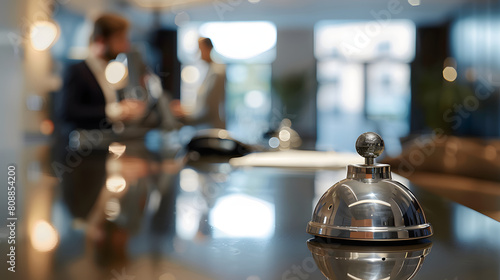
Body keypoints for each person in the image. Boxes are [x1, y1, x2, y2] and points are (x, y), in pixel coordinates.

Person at [58, 13, 145, 134]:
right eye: (120, 39)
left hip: (103, 146)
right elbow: (67, 112)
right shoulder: (77, 70)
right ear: (101, 40)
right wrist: (115, 111)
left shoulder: (109, 71)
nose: (126, 46)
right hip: (81, 149)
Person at [171, 37, 226, 129]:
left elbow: (209, 109)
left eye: (200, 49)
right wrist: (186, 110)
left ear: (208, 49)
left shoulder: (217, 73)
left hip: (211, 129)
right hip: (204, 128)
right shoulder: (209, 71)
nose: (198, 53)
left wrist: (186, 115)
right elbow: (202, 105)